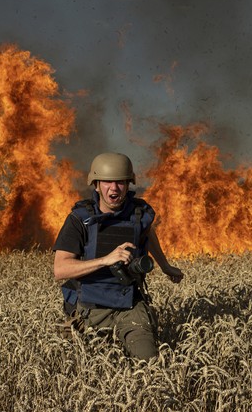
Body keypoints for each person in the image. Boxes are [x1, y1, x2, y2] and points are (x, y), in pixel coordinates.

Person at [53, 152, 183, 360]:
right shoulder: (80, 220)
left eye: (120, 182)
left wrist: (165, 266)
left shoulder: (139, 214)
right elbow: (60, 269)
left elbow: (147, 233)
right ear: (96, 185)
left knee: (148, 364)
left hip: (131, 306)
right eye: (107, 182)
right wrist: (106, 260)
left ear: (128, 184)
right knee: (85, 368)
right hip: (91, 310)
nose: (114, 188)